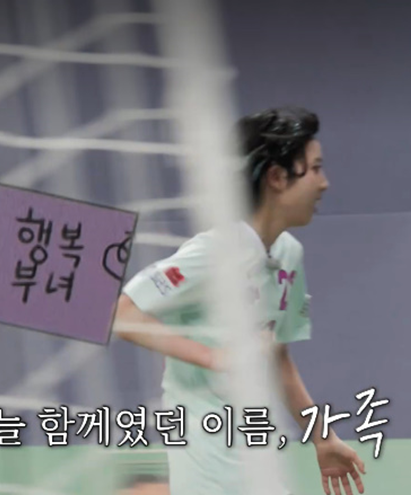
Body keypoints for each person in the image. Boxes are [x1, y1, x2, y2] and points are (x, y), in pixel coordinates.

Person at [113, 106, 367, 495]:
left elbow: (278, 357)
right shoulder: (213, 252)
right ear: (277, 177)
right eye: (315, 169)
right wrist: (214, 357)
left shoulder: (288, 254)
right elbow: (123, 315)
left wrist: (321, 437)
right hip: (209, 477)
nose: (324, 183)